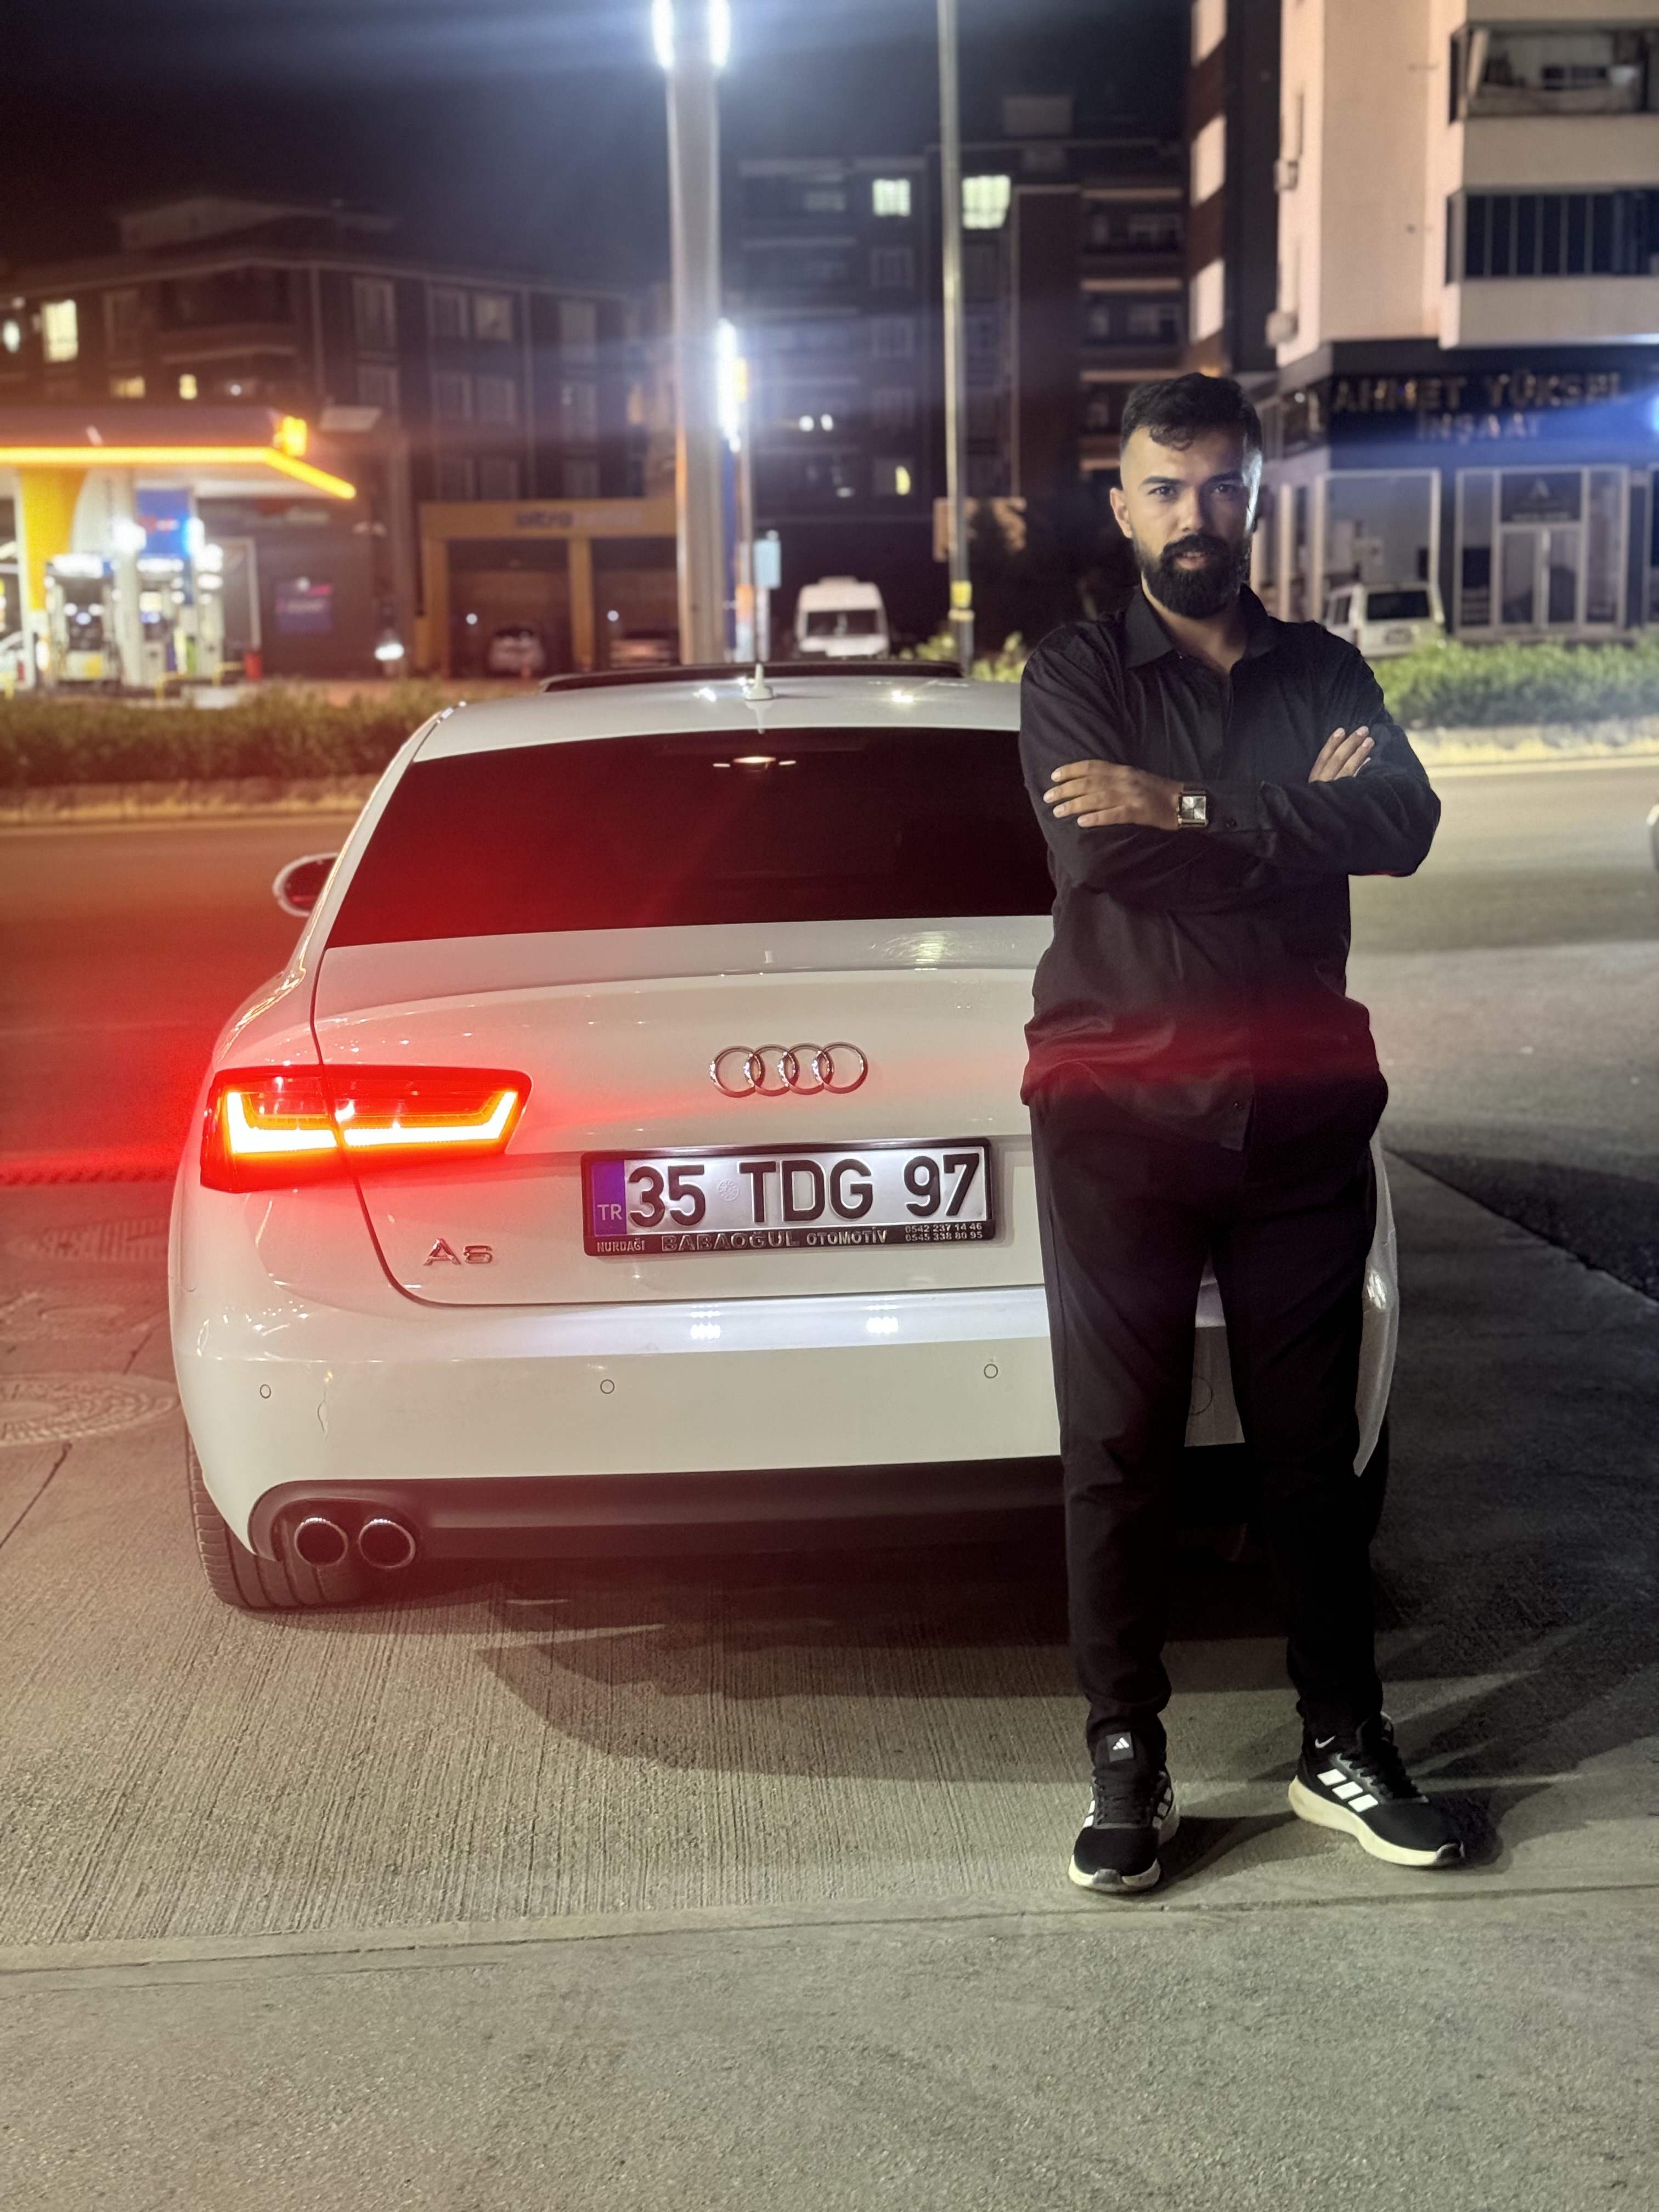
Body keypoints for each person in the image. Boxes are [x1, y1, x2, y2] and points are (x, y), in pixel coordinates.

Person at [1019, 372, 1463, 1894]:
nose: (1195, 515)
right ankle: (1125, 1754)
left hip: (1301, 1117)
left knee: (1311, 1456)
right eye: (1166, 487)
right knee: (1120, 1451)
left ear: (1258, 499)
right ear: (1122, 505)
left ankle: (1343, 1743)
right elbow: (1103, 862)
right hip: (1118, 1115)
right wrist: (1283, 816)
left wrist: (1192, 807)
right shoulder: (1076, 672)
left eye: (1221, 487)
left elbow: (1402, 825)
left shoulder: (1324, 665)